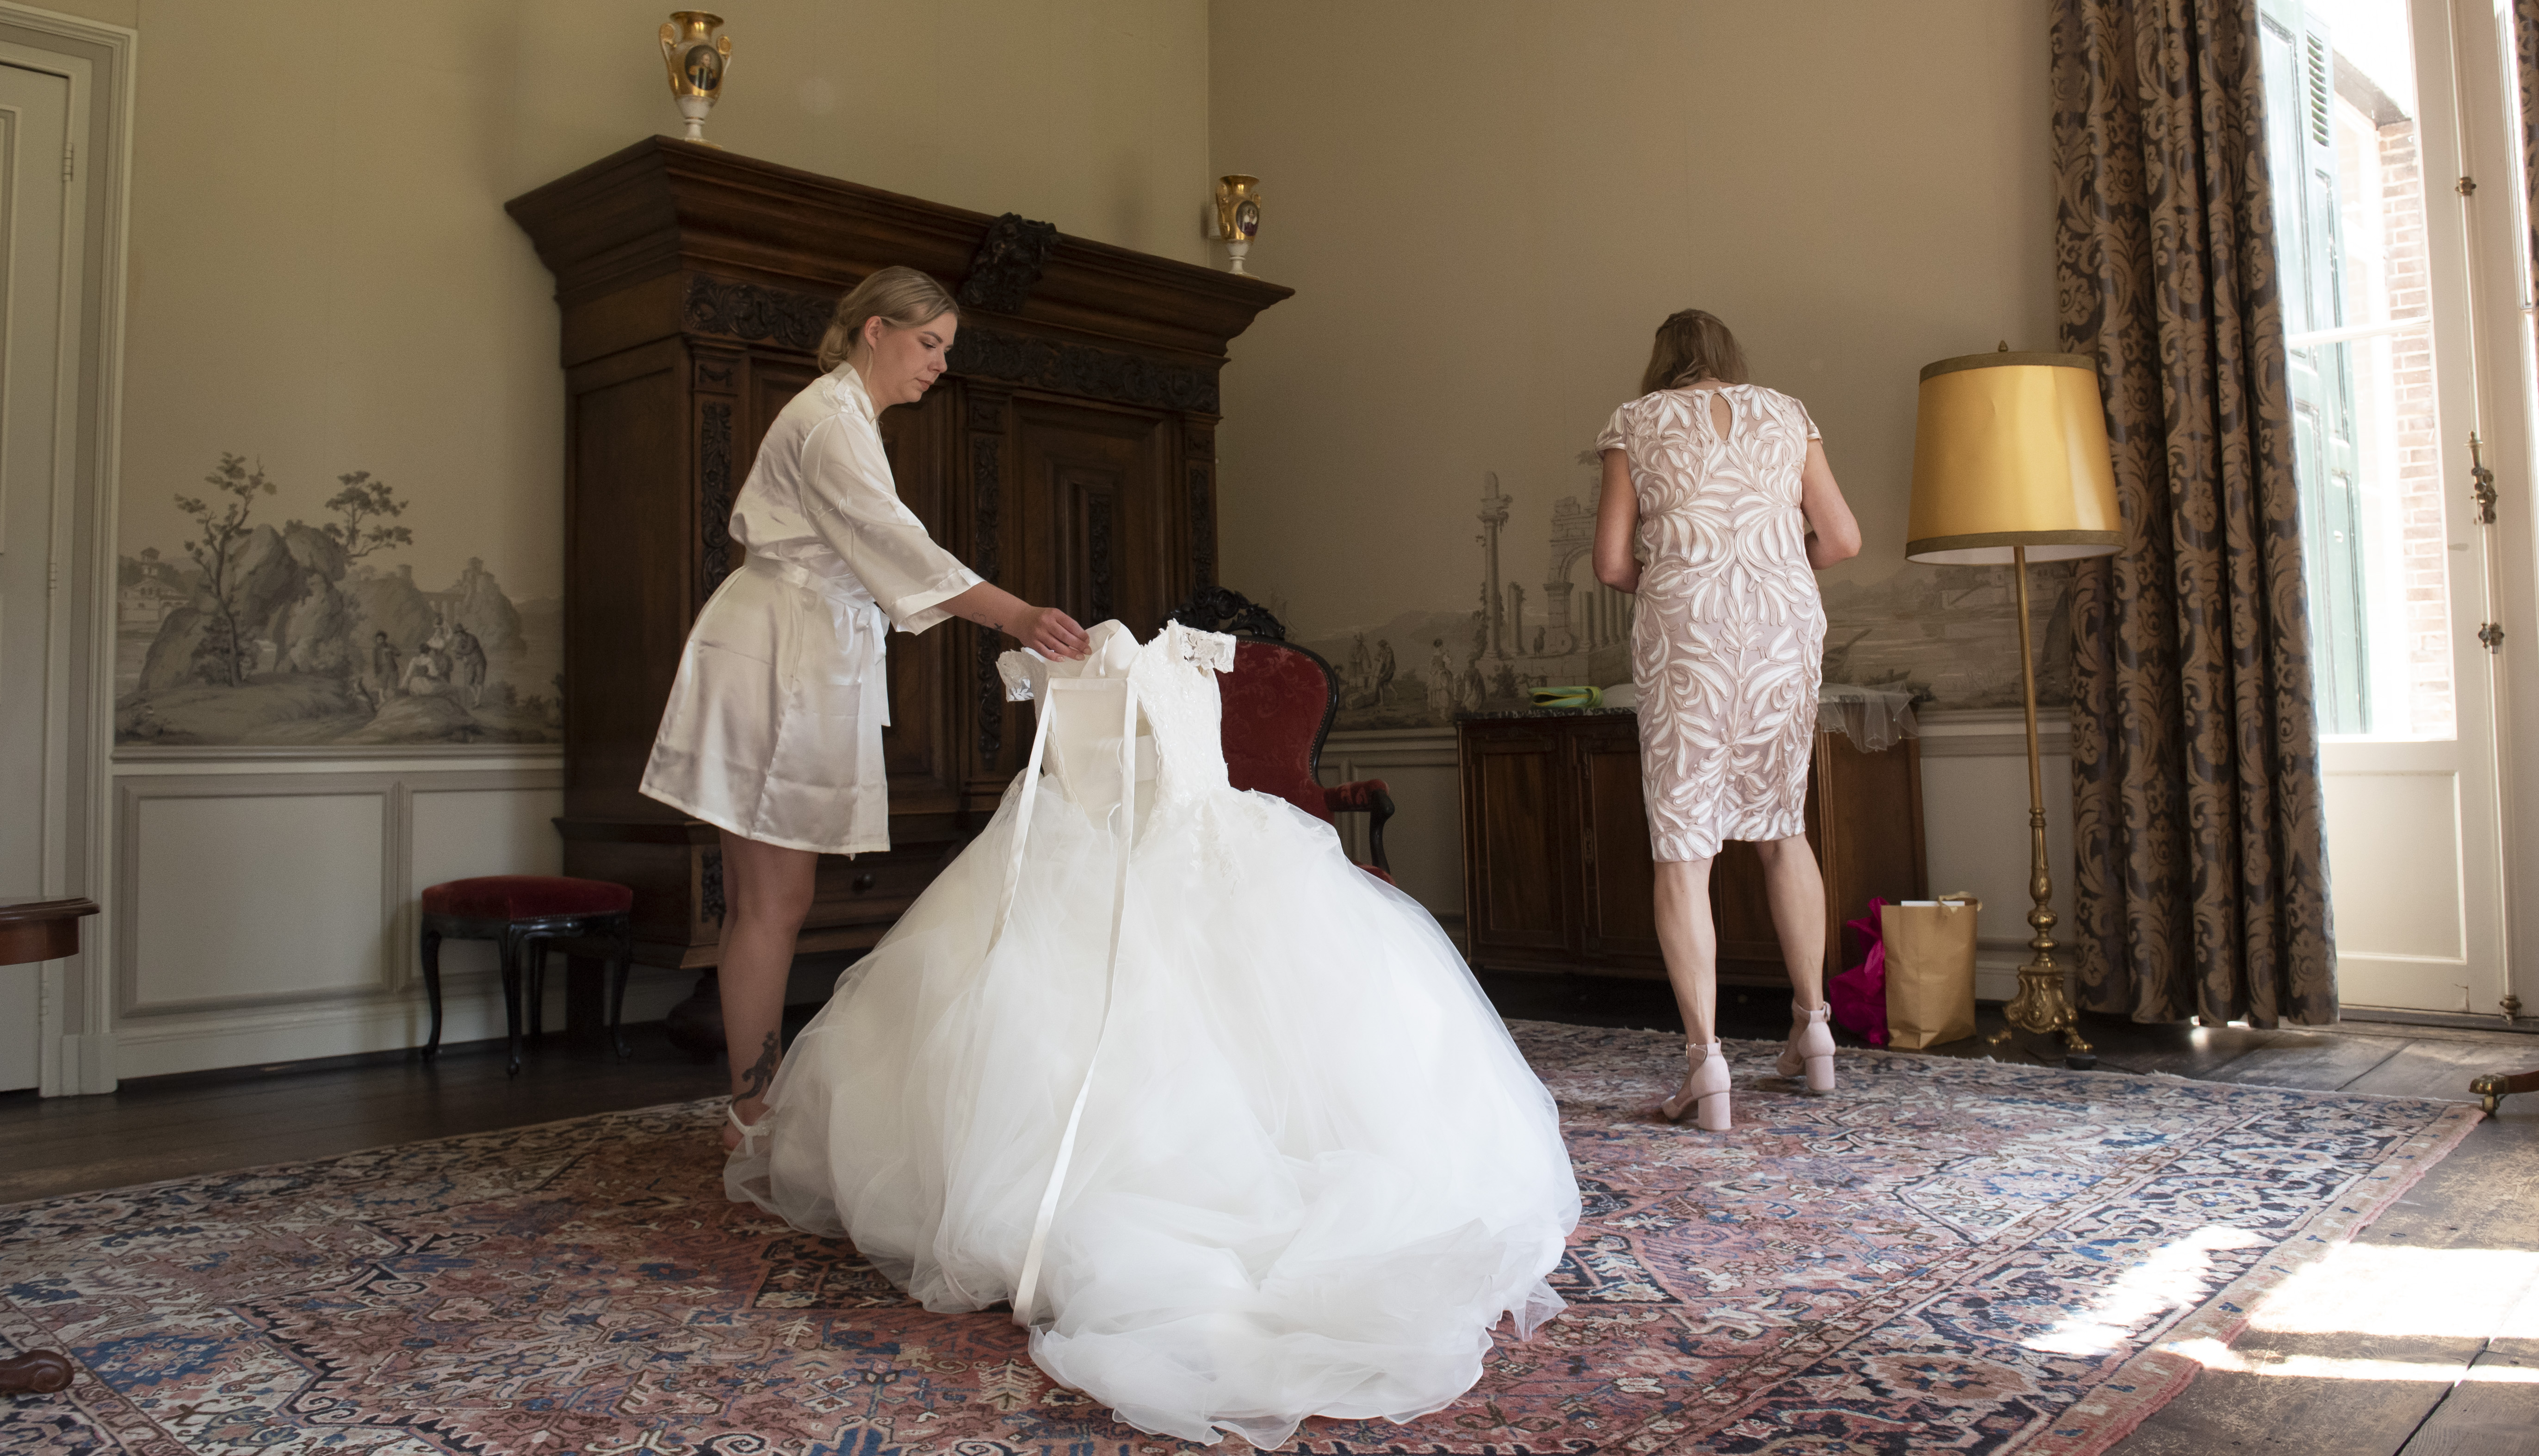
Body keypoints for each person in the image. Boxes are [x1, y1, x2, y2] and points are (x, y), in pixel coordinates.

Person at [727, 619, 1579, 1450]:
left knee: (1272, 1033)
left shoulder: (1190, 654)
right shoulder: (1040, 666)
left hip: (1202, 850)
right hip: (1071, 857)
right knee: (1018, 1020)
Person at [639, 266, 1089, 1148]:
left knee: (771, 897)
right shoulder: (829, 423)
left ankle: (752, 1109)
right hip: (781, 657)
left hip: (801, 649)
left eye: (946, 348)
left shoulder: (847, 420)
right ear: (874, 329)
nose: (940, 364)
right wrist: (1018, 616)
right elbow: (898, 546)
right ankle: (752, 1115)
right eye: (929, 343)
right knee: (771, 898)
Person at [1594, 308, 1861, 1127]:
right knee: (1783, 825)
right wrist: (1778, 567)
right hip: (1783, 628)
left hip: (1688, 632)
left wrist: (1686, 578)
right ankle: (1813, 1030)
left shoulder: (1634, 422)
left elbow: (1610, 562)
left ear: (1661, 360)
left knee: (1683, 846)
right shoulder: (1787, 413)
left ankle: (1705, 1061)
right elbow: (1842, 539)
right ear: (1727, 357)